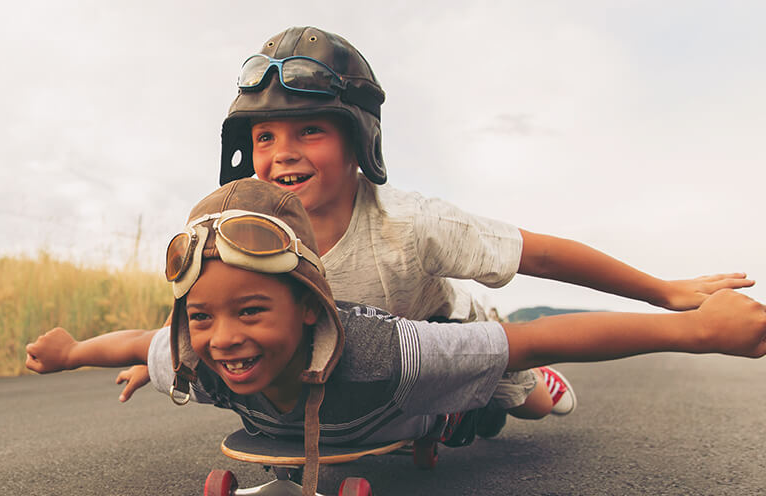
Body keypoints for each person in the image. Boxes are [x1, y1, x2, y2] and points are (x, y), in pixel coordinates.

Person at [116, 26, 753, 434]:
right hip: (355, 359)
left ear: (358, 141)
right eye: (265, 136)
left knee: (523, 399)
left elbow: (542, 256)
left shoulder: (413, 224)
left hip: (446, 329)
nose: (282, 154)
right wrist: (167, 360)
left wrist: (665, 295)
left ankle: (531, 390)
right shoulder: (249, 236)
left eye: (309, 130)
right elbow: (210, 314)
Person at [27, 179, 766, 496]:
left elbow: (539, 336)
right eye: (201, 318)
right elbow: (138, 338)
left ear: (310, 309)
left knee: (518, 395)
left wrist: (694, 330)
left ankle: (534, 400)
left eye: (251, 312)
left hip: (438, 357)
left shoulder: (390, 354)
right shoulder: (191, 353)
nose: (224, 340)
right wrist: (71, 352)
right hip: (362, 415)